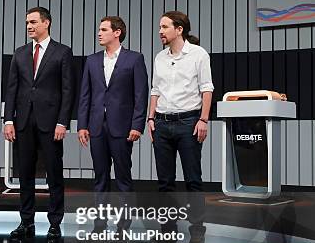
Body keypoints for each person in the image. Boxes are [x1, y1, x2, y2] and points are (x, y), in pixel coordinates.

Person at [3, 6, 75, 239]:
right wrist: (8, 120)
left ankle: (55, 223)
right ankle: (26, 222)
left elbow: (68, 90)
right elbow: (12, 88)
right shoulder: (20, 52)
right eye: (27, 23)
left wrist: (63, 122)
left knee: (54, 173)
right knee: (24, 173)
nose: (29, 26)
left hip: (51, 122)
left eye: (33, 22)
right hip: (23, 122)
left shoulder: (62, 52)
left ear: (46, 23)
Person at [77, 16, 148, 194]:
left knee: (123, 176)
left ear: (117, 33)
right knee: (100, 177)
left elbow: (140, 95)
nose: (99, 33)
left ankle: (124, 221)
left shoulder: (134, 59)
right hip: (96, 126)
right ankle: (100, 221)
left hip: (123, 127)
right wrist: (82, 125)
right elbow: (85, 95)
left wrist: (137, 125)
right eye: (99, 29)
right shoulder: (92, 60)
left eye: (104, 30)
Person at [148, 11, 214, 192]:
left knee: (193, 179)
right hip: (161, 123)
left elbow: (207, 88)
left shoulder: (198, 54)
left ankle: (196, 221)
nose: (160, 31)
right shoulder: (160, 57)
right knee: (164, 181)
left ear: (179, 29)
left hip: (188, 123)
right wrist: (151, 118)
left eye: (164, 27)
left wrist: (203, 120)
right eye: (160, 27)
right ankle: (168, 221)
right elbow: (155, 90)